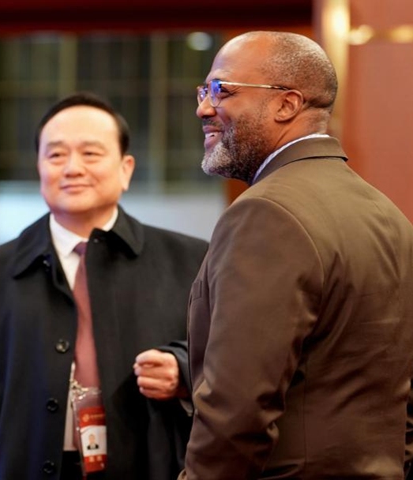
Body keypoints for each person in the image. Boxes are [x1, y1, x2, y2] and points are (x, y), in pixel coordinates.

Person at [182, 31, 413, 479]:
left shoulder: (266, 213)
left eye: (221, 90)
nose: (204, 108)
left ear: (286, 104)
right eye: (203, 91)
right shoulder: (387, 213)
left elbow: (237, 410)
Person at [0, 92, 208, 480]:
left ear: (126, 169)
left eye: (91, 154)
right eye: (56, 155)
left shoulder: (190, 261)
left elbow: (231, 363)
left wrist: (183, 370)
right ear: (39, 167)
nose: (72, 168)